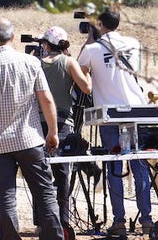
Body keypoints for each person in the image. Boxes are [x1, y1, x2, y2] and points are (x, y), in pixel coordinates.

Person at [0, 18, 63, 240]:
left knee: (5, 198)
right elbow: (46, 100)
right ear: (12, 37)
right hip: (29, 139)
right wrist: (52, 131)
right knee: (44, 194)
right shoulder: (31, 63)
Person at [77, 9, 152, 238]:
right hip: (136, 111)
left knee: (114, 166)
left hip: (109, 114)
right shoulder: (133, 42)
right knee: (139, 165)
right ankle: (147, 219)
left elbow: (81, 75)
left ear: (98, 23)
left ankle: (119, 220)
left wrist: (91, 36)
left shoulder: (92, 48)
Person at [38, 25, 91, 231]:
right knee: (62, 174)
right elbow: (86, 88)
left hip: (39, 123)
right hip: (63, 124)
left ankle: (42, 223)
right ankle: (63, 221)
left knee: (41, 174)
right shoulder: (69, 62)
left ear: (46, 44)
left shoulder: (36, 63)